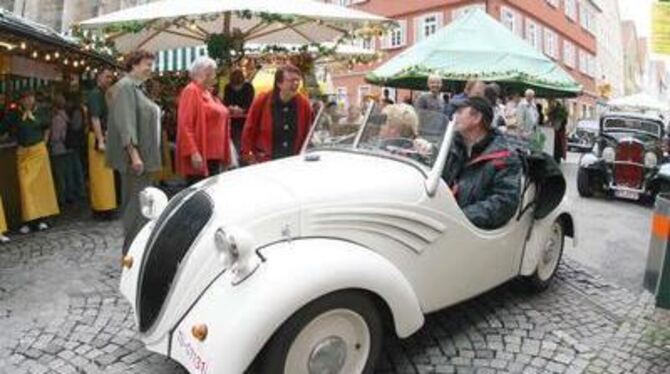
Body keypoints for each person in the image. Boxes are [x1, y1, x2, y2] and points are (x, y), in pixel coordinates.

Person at [106, 50, 162, 254]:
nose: (151, 68)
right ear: (134, 65)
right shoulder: (126, 87)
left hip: (143, 158)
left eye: (151, 64)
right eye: (147, 64)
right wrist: (134, 155)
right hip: (136, 161)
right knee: (134, 206)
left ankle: (137, 249)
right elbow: (126, 123)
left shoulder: (137, 89)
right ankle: (131, 252)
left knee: (142, 204)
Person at [442, 96, 521, 230]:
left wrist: (462, 216)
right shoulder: (452, 145)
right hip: (444, 221)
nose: (454, 116)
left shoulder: (505, 157)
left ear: (477, 118)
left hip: (473, 231)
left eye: (460, 112)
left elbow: (505, 202)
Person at [3, 90, 60, 233]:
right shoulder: (14, 114)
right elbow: (4, 128)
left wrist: (45, 142)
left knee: (41, 187)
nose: (28, 101)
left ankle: (42, 219)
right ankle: (29, 220)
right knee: (26, 186)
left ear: (34, 99)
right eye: (25, 98)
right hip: (23, 153)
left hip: (38, 152)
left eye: (30, 98)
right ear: (21, 100)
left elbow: (47, 127)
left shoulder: (41, 111)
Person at [177, 56, 233, 185]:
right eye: (212, 72)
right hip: (202, 156)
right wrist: (194, 152)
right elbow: (185, 125)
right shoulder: (191, 90)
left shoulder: (207, 92)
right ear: (203, 73)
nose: (215, 76)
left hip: (214, 155)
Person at [241, 64, 312, 164]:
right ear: (279, 83)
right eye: (291, 80)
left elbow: (308, 133)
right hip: (266, 162)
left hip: (294, 162)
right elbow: (249, 128)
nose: (296, 84)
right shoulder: (263, 100)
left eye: (297, 80)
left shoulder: (304, 104)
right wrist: (248, 155)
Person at [86, 68, 118, 218]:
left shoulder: (103, 93)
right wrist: (100, 140)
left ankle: (107, 206)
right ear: (99, 77)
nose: (109, 79)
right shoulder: (95, 94)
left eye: (111, 77)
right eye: (107, 77)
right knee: (100, 175)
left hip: (104, 135)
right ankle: (101, 208)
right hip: (97, 136)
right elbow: (95, 118)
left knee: (106, 174)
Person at [48, 94, 80, 207]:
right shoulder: (65, 115)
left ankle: (62, 197)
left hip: (58, 149)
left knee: (60, 175)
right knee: (68, 173)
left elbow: (56, 136)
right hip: (67, 147)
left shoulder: (56, 118)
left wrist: (49, 138)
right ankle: (71, 194)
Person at [224, 68, 255, 153]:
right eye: (234, 86)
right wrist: (230, 108)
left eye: (238, 86)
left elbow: (251, 103)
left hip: (245, 119)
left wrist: (243, 110)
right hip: (232, 119)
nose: (236, 88)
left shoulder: (248, 87)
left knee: (243, 138)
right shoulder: (228, 87)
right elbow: (226, 102)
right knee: (235, 138)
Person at [547, 99, 568, 163]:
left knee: (557, 146)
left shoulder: (559, 116)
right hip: (559, 134)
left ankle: (557, 158)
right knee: (558, 147)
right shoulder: (561, 115)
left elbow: (557, 125)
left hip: (558, 134)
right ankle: (557, 158)